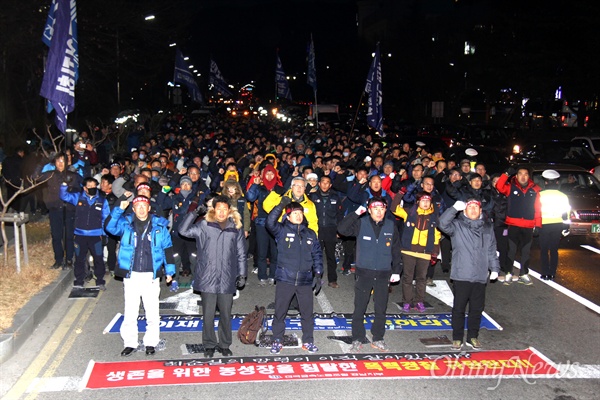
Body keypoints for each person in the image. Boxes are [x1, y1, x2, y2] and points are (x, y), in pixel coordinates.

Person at [105, 195, 176, 357]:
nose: (142, 209)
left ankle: (151, 342)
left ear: (149, 208)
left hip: (151, 275)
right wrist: (119, 209)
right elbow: (109, 227)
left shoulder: (159, 226)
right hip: (131, 274)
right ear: (134, 209)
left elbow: (168, 249)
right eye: (138, 206)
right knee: (130, 311)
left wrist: (170, 271)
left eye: (144, 205)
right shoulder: (125, 224)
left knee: (152, 311)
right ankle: (130, 342)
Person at [178, 195, 247, 358]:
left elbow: (241, 253)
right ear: (213, 210)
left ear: (229, 211)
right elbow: (183, 230)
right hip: (207, 277)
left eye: (225, 209)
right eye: (219, 209)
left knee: (225, 314)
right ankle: (209, 344)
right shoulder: (204, 225)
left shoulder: (235, 228)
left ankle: (224, 344)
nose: (222, 212)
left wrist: (242, 273)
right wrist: (194, 213)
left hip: (227, 277)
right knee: (208, 314)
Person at [337, 197, 402, 353]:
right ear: (369, 209)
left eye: (382, 209)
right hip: (364, 273)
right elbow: (342, 229)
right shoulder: (361, 223)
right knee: (360, 307)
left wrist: (397, 271)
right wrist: (355, 214)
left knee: (381, 308)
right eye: (375, 209)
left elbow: (396, 251)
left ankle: (378, 338)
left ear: (385, 210)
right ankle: (357, 338)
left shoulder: (391, 226)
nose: (379, 212)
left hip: (383, 273)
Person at [438, 199, 500, 350]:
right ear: (464, 210)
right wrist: (453, 209)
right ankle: (457, 338)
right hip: (461, 274)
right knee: (459, 308)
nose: (473, 210)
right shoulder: (457, 225)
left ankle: (473, 336)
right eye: (470, 207)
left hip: (480, 275)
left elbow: (491, 249)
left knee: (477, 308)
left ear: (480, 210)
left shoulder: (487, 227)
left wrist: (495, 268)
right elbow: (442, 224)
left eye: (476, 207)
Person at [266, 198, 323, 354]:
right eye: (295, 213)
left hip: (305, 280)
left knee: (307, 313)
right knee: (280, 312)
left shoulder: (310, 233)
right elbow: (269, 222)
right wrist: (281, 205)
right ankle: (277, 340)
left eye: (300, 213)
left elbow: (317, 254)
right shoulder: (281, 230)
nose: (298, 216)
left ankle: (308, 341)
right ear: (288, 216)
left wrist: (318, 273)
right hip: (285, 278)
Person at [392, 192, 441, 312]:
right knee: (407, 278)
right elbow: (394, 209)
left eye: (428, 201)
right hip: (408, 251)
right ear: (418, 202)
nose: (425, 203)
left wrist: (435, 251)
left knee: (421, 278)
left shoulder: (434, 216)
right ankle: (407, 302)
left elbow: (436, 234)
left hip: (425, 253)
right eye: (423, 200)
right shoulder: (409, 212)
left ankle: (419, 301)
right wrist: (400, 194)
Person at [60, 177, 110, 289]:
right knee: (79, 258)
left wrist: (104, 234)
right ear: (84, 188)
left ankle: (100, 280)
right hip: (80, 234)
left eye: (94, 186)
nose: (92, 188)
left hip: (96, 235)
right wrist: (64, 185)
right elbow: (64, 196)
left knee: (98, 258)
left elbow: (105, 218)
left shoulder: (102, 200)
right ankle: (79, 281)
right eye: (89, 186)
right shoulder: (78, 197)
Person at [495, 166, 541, 285]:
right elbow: (499, 186)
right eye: (520, 174)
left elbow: (537, 208)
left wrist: (538, 225)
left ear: (529, 176)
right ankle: (508, 273)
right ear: (516, 176)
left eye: (525, 174)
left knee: (526, 251)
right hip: (513, 224)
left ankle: (524, 274)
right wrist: (506, 174)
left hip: (528, 225)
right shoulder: (511, 187)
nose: (523, 176)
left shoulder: (534, 190)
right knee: (511, 250)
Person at [309, 176, 343, 288]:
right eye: (323, 182)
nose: (325, 185)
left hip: (331, 230)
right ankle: (312, 278)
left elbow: (339, 215)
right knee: (314, 255)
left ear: (330, 185)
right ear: (319, 183)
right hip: (317, 229)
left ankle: (332, 279)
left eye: (327, 183)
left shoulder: (335, 197)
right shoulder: (312, 196)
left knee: (331, 256)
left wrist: (339, 230)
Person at [538, 169, 571, 280]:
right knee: (553, 250)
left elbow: (535, 211)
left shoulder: (539, 195)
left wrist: (534, 226)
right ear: (557, 182)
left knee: (543, 250)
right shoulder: (563, 196)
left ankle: (544, 273)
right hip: (557, 225)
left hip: (543, 225)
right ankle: (552, 273)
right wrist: (566, 227)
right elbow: (566, 213)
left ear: (545, 182)